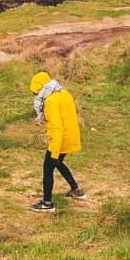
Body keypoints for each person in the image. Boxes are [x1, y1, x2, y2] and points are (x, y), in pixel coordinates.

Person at [29, 70, 85, 212]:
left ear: (40, 88)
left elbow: (57, 127)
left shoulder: (50, 101)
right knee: (58, 163)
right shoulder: (64, 93)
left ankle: (47, 203)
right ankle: (76, 190)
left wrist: (54, 149)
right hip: (70, 135)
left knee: (48, 167)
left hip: (60, 139)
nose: (35, 96)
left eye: (35, 92)